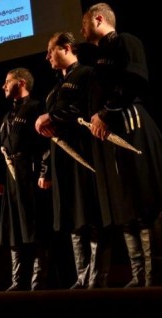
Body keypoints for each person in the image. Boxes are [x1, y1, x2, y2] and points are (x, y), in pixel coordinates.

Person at [81, 2, 162, 287]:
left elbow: (136, 80)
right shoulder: (98, 58)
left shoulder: (125, 41)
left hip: (131, 126)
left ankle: (154, 277)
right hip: (109, 136)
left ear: (98, 19)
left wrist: (105, 113)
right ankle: (138, 277)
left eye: (84, 23)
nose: (81, 29)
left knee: (144, 200)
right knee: (124, 205)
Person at [35, 32, 110, 289]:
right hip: (61, 160)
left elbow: (87, 108)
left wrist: (52, 117)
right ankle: (81, 278)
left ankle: (97, 278)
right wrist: (46, 169)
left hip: (84, 156)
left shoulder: (87, 73)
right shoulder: (55, 87)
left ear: (66, 48)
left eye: (51, 50)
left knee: (91, 215)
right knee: (72, 218)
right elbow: (50, 135)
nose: (47, 57)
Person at [0, 68, 52, 291]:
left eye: (7, 81)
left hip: (31, 175)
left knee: (34, 228)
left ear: (20, 83)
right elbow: (4, 148)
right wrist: (2, 180)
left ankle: (39, 281)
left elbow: (47, 144)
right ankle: (18, 280)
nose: (3, 86)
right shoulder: (6, 116)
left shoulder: (37, 107)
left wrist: (45, 172)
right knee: (14, 229)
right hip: (12, 178)